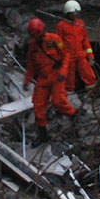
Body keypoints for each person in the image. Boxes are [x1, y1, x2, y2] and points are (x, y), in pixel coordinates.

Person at [23, 17, 76, 145]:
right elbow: (31, 64)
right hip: (43, 77)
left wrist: (63, 72)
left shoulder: (54, 39)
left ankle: (74, 116)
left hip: (57, 75)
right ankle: (43, 134)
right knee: (38, 105)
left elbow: (66, 56)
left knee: (59, 101)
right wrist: (27, 80)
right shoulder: (33, 46)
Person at [56, 0, 96, 92]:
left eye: (76, 13)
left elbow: (85, 40)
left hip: (80, 55)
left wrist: (90, 56)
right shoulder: (61, 26)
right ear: (68, 13)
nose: (76, 15)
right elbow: (58, 41)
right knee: (69, 80)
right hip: (68, 57)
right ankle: (69, 97)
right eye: (73, 13)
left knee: (89, 75)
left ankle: (91, 94)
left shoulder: (80, 23)